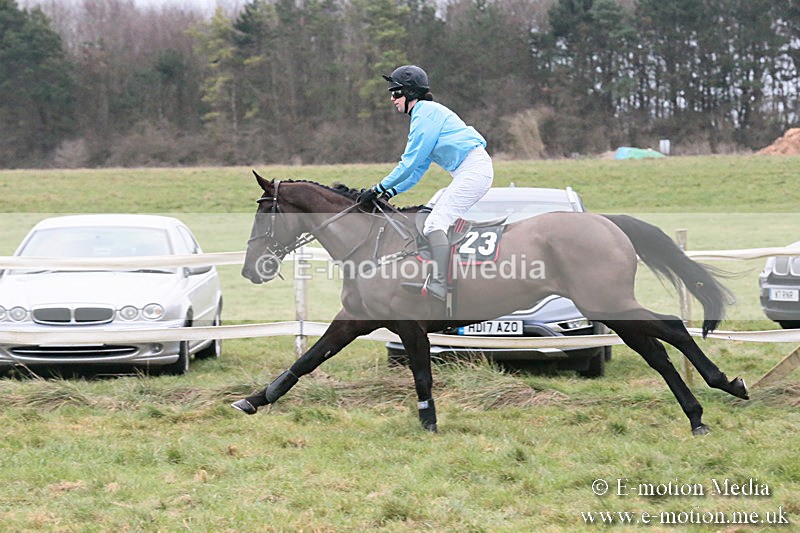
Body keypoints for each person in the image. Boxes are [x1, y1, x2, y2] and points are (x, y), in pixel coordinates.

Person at [358, 65, 494, 302]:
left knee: (434, 223)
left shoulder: (425, 114)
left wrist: (378, 189)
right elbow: (417, 170)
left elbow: (409, 163)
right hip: (469, 171)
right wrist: (390, 192)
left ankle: (439, 284)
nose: (392, 99)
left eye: (396, 93)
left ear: (410, 93)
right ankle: (436, 273)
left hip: (474, 171)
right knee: (426, 216)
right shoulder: (424, 116)